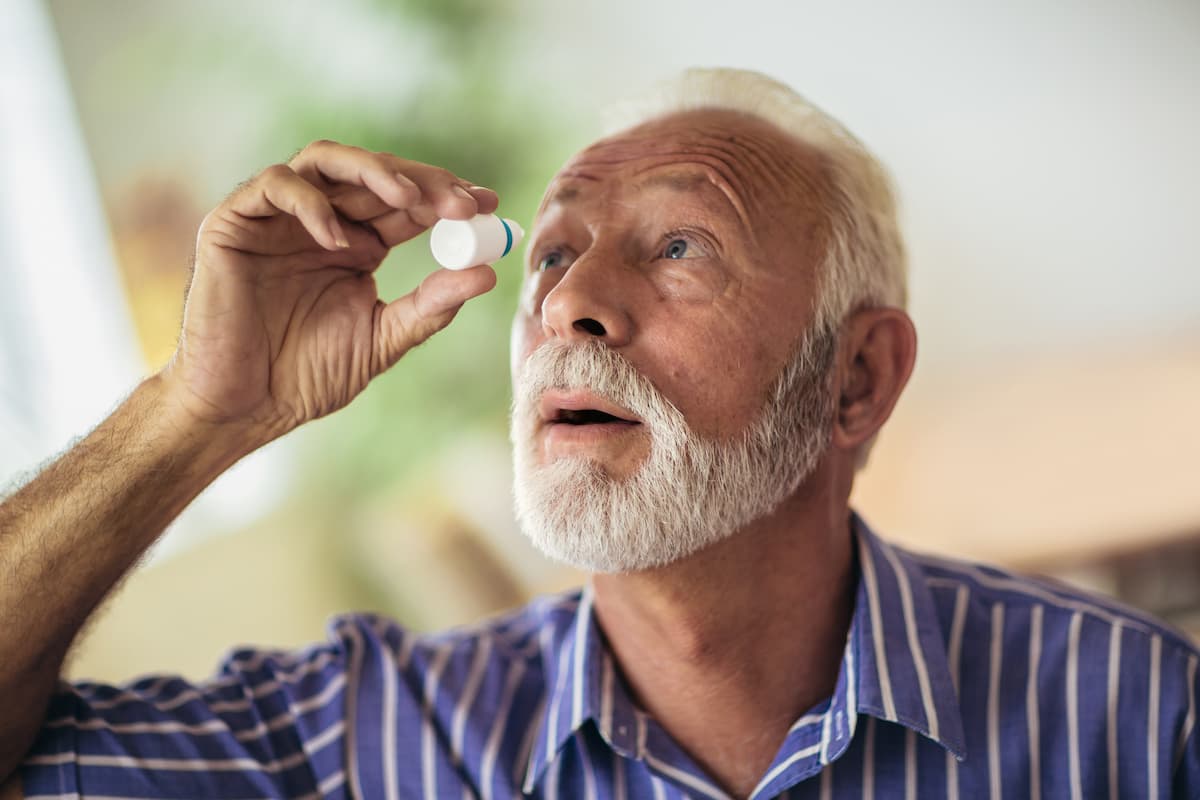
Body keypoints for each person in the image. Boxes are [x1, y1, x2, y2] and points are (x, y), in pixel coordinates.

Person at [0, 67, 1196, 800]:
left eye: (680, 246)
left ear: (857, 378)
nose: (571, 299)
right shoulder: (373, 742)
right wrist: (198, 411)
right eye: (556, 250)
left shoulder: (1135, 720)